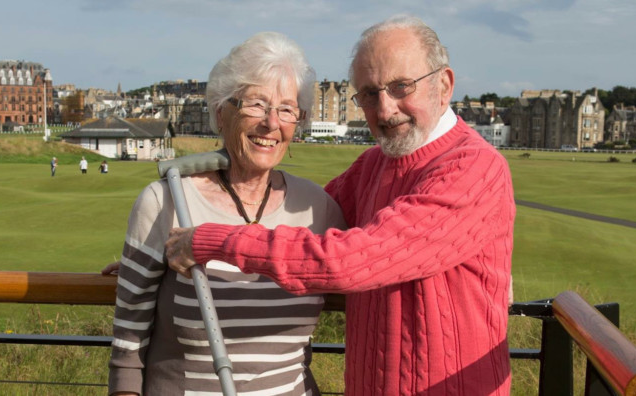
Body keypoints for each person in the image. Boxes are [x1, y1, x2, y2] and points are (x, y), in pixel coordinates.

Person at [166, 15, 516, 396]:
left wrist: (211, 242)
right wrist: (163, 263)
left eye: (401, 87)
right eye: (369, 93)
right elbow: (297, 225)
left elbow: (348, 260)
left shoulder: (474, 167)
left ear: (443, 85)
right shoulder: (374, 165)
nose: (384, 110)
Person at [106, 32, 346, 396]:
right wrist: (139, 268)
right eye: (255, 104)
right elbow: (127, 351)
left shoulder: (318, 208)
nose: (271, 123)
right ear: (221, 113)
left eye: (286, 109)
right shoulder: (164, 202)